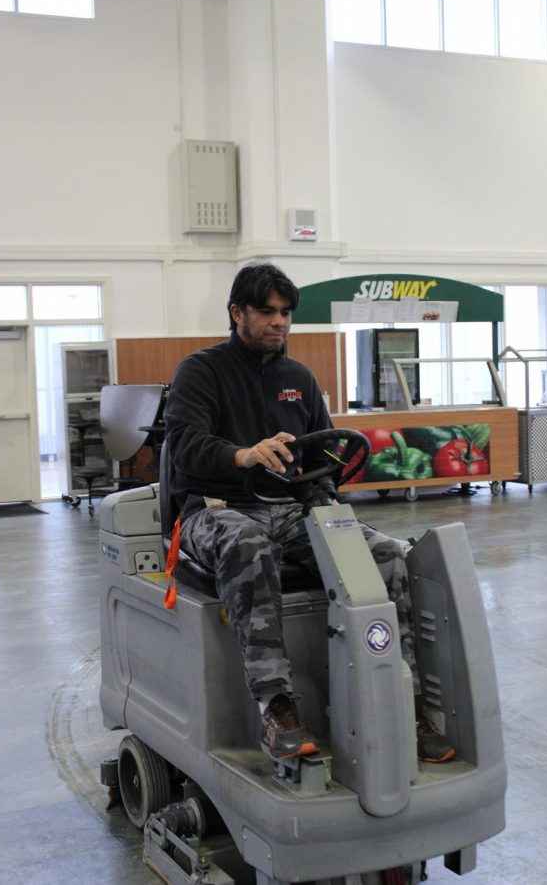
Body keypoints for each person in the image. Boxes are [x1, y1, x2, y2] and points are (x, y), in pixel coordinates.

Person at [164, 262, 455, 764]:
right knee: (249, 546)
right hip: (215, 509)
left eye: (285, 313)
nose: (279, 322)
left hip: (291, 509)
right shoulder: (200, 371)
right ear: (237, 313)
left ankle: (396, 697)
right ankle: (275, 703)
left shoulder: (297, 377)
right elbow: (185, 445)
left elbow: (322, 460)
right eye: (266, 312)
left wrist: (331, 503)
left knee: (384, 554)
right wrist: (243, 455)